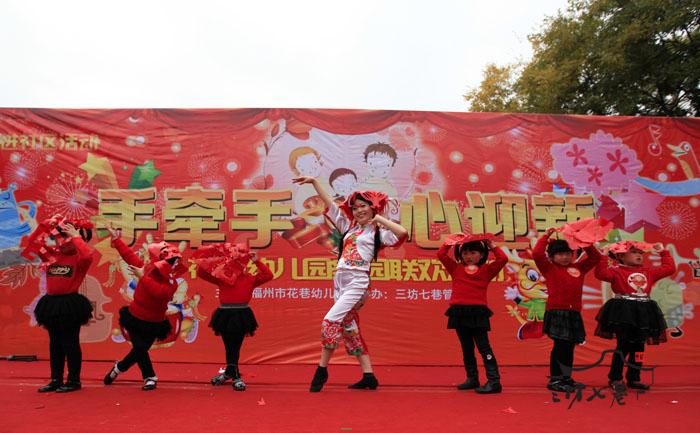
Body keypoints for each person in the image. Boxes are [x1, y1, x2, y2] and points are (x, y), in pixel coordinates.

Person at [292, 176, 407, 392]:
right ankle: (368, 376)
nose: (358, 210)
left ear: (373, 208)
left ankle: (321, 370)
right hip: (340, 281)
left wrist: (379, 219)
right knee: (349, 328)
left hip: (358, 281)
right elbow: (331, 206)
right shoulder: (349, 228)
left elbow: (402, 234)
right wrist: (315, 182)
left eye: (363, 206)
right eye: (355, 208)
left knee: (330, 321)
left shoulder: (379, 233)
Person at [102, 225, 187, 390]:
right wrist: (116, 239)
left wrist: (142, 276)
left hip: (154, 322)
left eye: (172, 261)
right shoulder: (145, 269)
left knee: (139, 350)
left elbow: (159, 293)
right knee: (140, 349)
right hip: (135, 317)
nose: (172, 264)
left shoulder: (171, 282)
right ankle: (150, 377)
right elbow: (128, 255)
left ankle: (118, 368)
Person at [24, 215, 95, 393]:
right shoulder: (52, 255)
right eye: (61, 235)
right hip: (51, 304)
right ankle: (56, 379)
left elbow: (88, 255)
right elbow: (31, 242)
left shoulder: (79, 258)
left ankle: (73, 380)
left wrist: (75, 235)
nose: (62, 239)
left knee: (70, 343)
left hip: (69, 305)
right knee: (54, 343)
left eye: (66, 236)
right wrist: (45, 225)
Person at [594, 241, 675, 394]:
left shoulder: (648, 272)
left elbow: (669, 269)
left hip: (644, 311)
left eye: (640, 253)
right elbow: (601, 274)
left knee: (639, 347)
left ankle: (634, 377)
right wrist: (603, 256)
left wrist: (663, 252)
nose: (639, 255)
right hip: (624, 311)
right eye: (634, 252)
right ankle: (615, 378)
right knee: (623, 345)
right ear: (621, 256)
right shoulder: (616, 271)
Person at [194, 243, 274, 391]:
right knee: (229, 345)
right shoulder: (222, 277)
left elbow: (268, 275)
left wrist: (256, 261)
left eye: (240, 262)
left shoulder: (249, 278)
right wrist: (211, 259)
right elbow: (201, 273)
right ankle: (232, 373)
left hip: (241, 314)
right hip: (225, 314)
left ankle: (232, 373)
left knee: (235, 346)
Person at [532, 227, 601, 392]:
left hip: (573, 313)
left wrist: (583, 242)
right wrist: (546, 236)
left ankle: (566, 378)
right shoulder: (549, 268)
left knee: (569, 347)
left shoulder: (579, 268)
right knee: (560, 346)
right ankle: (555, 379)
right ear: (552, 257)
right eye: (560, 254)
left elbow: (596, 257)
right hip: (557, 312)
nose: (565, 257)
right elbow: (536, 254)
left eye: (568, 253)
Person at [437, 233, 507, 394]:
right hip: (459, 312)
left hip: (478, 313)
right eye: (465, 253)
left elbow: (502, 259)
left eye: (473, 253)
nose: (468, 256)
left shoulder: (487, 270)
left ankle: (494, 381)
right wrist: (449, 242)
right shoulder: (456, 268)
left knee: (484, 347)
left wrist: (491, 245)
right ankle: (472, 378)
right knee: (466, 347)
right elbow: (441, 254)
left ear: (481, 255)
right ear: (460, 255)